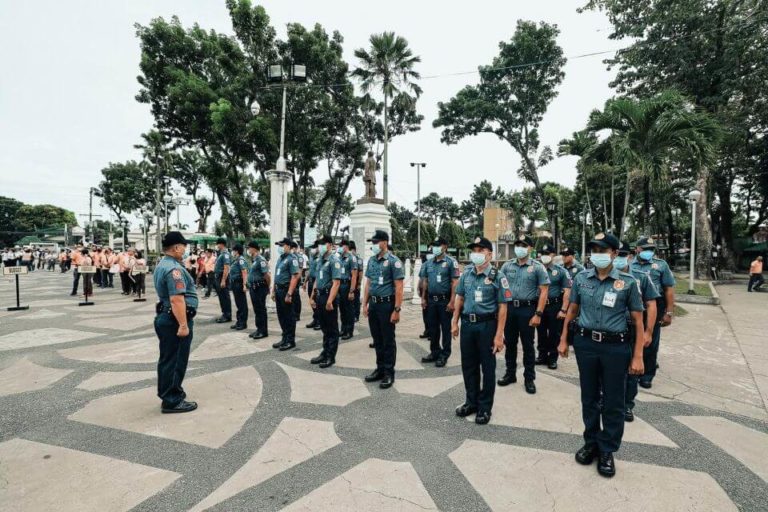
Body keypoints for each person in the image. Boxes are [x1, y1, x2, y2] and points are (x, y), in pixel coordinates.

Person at [558, 232, 645, 477]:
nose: (597, 255)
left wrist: (638, 355)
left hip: (615, 348)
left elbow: (638, 321)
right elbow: (572, 309)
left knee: (614, 400)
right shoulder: (582, 278)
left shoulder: (627, 283)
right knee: (589, 397)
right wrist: (564, 339)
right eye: (594, 250)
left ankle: (607, 449)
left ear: (614, 254)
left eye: (603, 251)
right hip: (585, 344)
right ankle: (592, 442)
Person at [452, 237, 511, 424]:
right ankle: (471, 402)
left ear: (489, 254)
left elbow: (503, 307)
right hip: (468, 325)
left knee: (487, 367)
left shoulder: (497, 276)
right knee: (468, 365)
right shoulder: (467, 274)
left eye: (480, 249)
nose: (476, 253)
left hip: (487, 326)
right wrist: (454, 322)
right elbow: (459, 298)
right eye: (474, 250)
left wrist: (499, 335)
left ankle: (485, 407)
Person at [153, 231, 198, 413]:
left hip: (167, 316)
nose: (185, 250)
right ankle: (171, 400)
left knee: (168, 358)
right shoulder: (174, 270)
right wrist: (183, 324)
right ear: (177, 247)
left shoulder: (163, 264)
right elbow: (177, 299)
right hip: (174, 319)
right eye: (184, 247)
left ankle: (172, 391)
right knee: (175, 359)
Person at [498, 235, 550, 394]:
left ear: (530, 248)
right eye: (518, 245)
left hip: (527, 310)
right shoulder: (507, 266)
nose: (520, 248)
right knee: (510, 343)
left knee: (528, 346)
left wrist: (538, 314)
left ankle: (529, 378)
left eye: (524, 245)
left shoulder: (538, 267)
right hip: (510, 309)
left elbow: (544, 291)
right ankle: (510, 373)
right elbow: (500, 288)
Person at [614, 242, 659, 422]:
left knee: (632, 371)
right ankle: (607, 400)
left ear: (630, 256)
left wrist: (648, 332)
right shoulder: (604, 276)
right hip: (612, 330)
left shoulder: (640, 277)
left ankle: (626, 405)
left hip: (632, 328)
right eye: (616, 254)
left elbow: (651, 304)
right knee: (609, 370)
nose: (619, 258)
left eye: (623, 255)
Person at [630, 236, 675, 389]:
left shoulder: (661, 265)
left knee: (650, 339)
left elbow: (669, 289)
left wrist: (669, 312)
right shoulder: (629, 265)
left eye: (651, 250)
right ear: (637, 249)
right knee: (632, 338)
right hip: (634, 305)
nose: (648, 252)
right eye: (645, 249)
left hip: (655, 305)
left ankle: (647, 375)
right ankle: (633, 370)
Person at [362, 230, 405, 389]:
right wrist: (364, 304)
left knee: (388, 340)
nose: (373, 245)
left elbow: (399, 287)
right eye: (372, 242)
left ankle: (388, 372)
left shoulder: (394, 261)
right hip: (374, 304)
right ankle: (379, 369)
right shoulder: (372, 261)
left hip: (387, 305)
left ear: (385, 242)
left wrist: (397, 309)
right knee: (377, 339)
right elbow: (368, 284)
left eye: (376, 242)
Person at [420, 237, 460, 367]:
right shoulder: (429, 263)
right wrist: (423, 298)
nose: (435, 248)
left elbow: (455, 282)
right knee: (433, 328)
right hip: (431, 300)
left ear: (445, 247)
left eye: (438, 245)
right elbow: (425, 281)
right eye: (434, 245)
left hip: (445, 301)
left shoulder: (451, 262)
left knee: (445, 328)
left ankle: (445, 354)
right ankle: (434, 352)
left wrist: (452, 301)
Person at [535, 244, 572, 370]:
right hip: (539, 306)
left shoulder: (561, 271)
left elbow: (567, 291)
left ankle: (552, 358)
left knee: (554, 333)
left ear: (553, 255)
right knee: (540, 332)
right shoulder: (536, 269)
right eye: (543, 254)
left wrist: (563, 309)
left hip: (554, 305)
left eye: (547, 253)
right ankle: (542, 355)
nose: (544, 256)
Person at [309, 235, 343, 368]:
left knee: (332, 328)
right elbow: (317, 279)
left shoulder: (334, 260)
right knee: (324, 326)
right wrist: (312, 296)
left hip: (330, 297)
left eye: (322, 244)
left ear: (329, 245)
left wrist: (330, 301)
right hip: (320, 296)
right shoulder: (320, 260)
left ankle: (330, 356)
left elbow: (336, 282)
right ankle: (325, 352)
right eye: (319, 244)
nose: (320, 247)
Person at [272, 237, 301, 351]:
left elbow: (295, 276)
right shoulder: (280, 259)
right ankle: (284, 337)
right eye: (279, 245)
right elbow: (276, 276)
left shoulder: (292, 259)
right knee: (281, 316)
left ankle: (290, 340)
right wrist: (273, 290)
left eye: (282, 245)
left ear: (288, 246)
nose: (280, 248)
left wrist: (289, 293)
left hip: (286, 290)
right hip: (279, 290)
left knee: (289, 316)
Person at [246, 241, 270, 339]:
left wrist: (267, 287)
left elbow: (267, 276)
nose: (248, 250)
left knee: (261, 309)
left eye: (249, 248)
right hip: (254, 287)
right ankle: (259, 329)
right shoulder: (254, 260)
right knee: (257, 310)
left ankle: (263, 331)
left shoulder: (261, 260)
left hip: (260, 287)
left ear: (254, 249)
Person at [338, 240, 359, 340]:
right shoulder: (340, 258)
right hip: (340, 286)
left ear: (346, 247)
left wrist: (352, 291)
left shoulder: (352, 258)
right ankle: (343, 329)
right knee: (342, 309)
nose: (340, 248)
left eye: (341, 246)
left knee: (349, 310)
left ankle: (349, 331)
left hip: (347, 285)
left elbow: (354, 275)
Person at [228, 244, 249, 330]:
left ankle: (243, 323)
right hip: (234, 283)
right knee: (238, 303)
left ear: (236, 251)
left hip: (239, 283)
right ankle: (239, 321)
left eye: (233, 250)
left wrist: (244, 284)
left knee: (242, 304)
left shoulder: (241, 260)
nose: (232, 252)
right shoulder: (236, 260)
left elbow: (244, 272)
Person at [213, 238, 232, 323]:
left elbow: (226, 267)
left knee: (224, 297)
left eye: (218, 244)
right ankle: (224, 313)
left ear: (221, 244)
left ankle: (227, 315)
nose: (217, 246)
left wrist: (223, 280)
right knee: (221, 296)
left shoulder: (225, 254)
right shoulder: (221, 254)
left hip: (222, 277)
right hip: (219, 277)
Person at [304, 242, 321, 330]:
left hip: (316, 281)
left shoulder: (320, 258)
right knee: (312, 302)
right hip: (310, 281)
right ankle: (315, 319)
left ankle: (319, 321)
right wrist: (305, 282)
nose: (312, 249)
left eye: (314, 247)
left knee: (317, 302)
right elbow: (310, 270)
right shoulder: (311, 257)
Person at [350, 241, 363, 323]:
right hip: (350, 282)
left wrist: (359, 283)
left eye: (351, 250)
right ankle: (351, 314)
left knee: (356, 300)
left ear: (354, 250)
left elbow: (360, 273)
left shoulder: (359, 260)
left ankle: (356, 315)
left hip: (356, 282)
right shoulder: (348, 259)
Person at [290, 241, 304, 321]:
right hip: (291, 279)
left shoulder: (299, 257)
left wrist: (296, 280)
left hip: (296, 279)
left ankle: (297, 314)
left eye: (292, 248)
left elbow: (300, 270)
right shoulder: (290, 257)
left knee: (296, 297)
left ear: (294, 248)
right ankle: (292, 313)